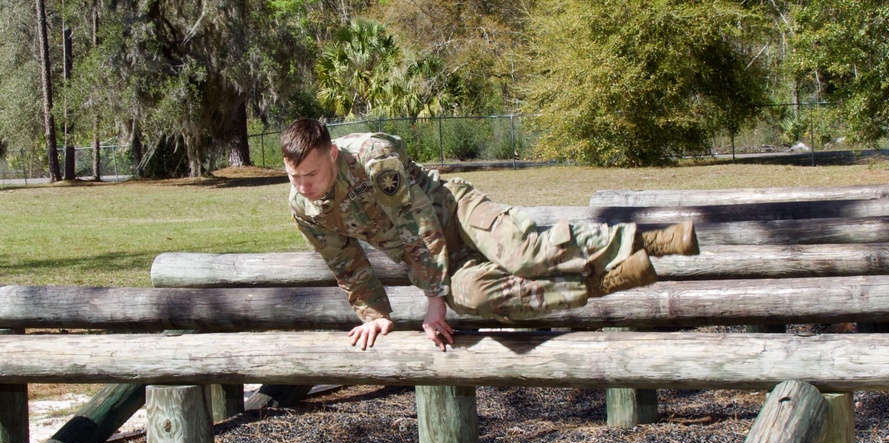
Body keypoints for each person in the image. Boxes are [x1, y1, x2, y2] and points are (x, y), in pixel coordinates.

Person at [281, 118, 699, 351]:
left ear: (332, 153)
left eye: (312, 174)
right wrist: (375, 316)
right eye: (294, 176)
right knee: (476, 299)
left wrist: (432, 300)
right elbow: (346, 264)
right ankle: (601, 284)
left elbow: (419, 223)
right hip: (443, 262)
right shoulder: (304, 208)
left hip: (457, 213)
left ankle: (652, 240)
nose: (304, 185)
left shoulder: (373, 159)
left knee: (523, 256)